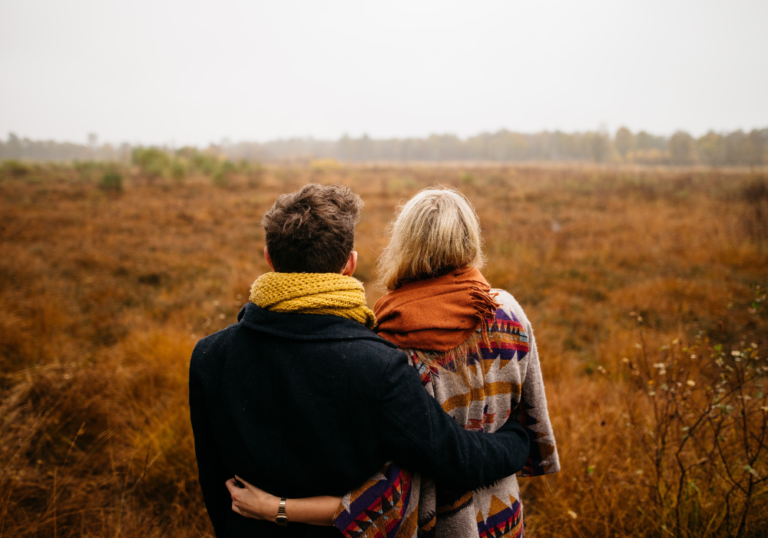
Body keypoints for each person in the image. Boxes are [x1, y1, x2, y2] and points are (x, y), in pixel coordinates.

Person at [189, 184, 531, 538]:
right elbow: (456, 458)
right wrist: (518, 441)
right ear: (350, 264)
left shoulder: (208, 356)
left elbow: (215, 486)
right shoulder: (379, 364)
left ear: (269, 258)